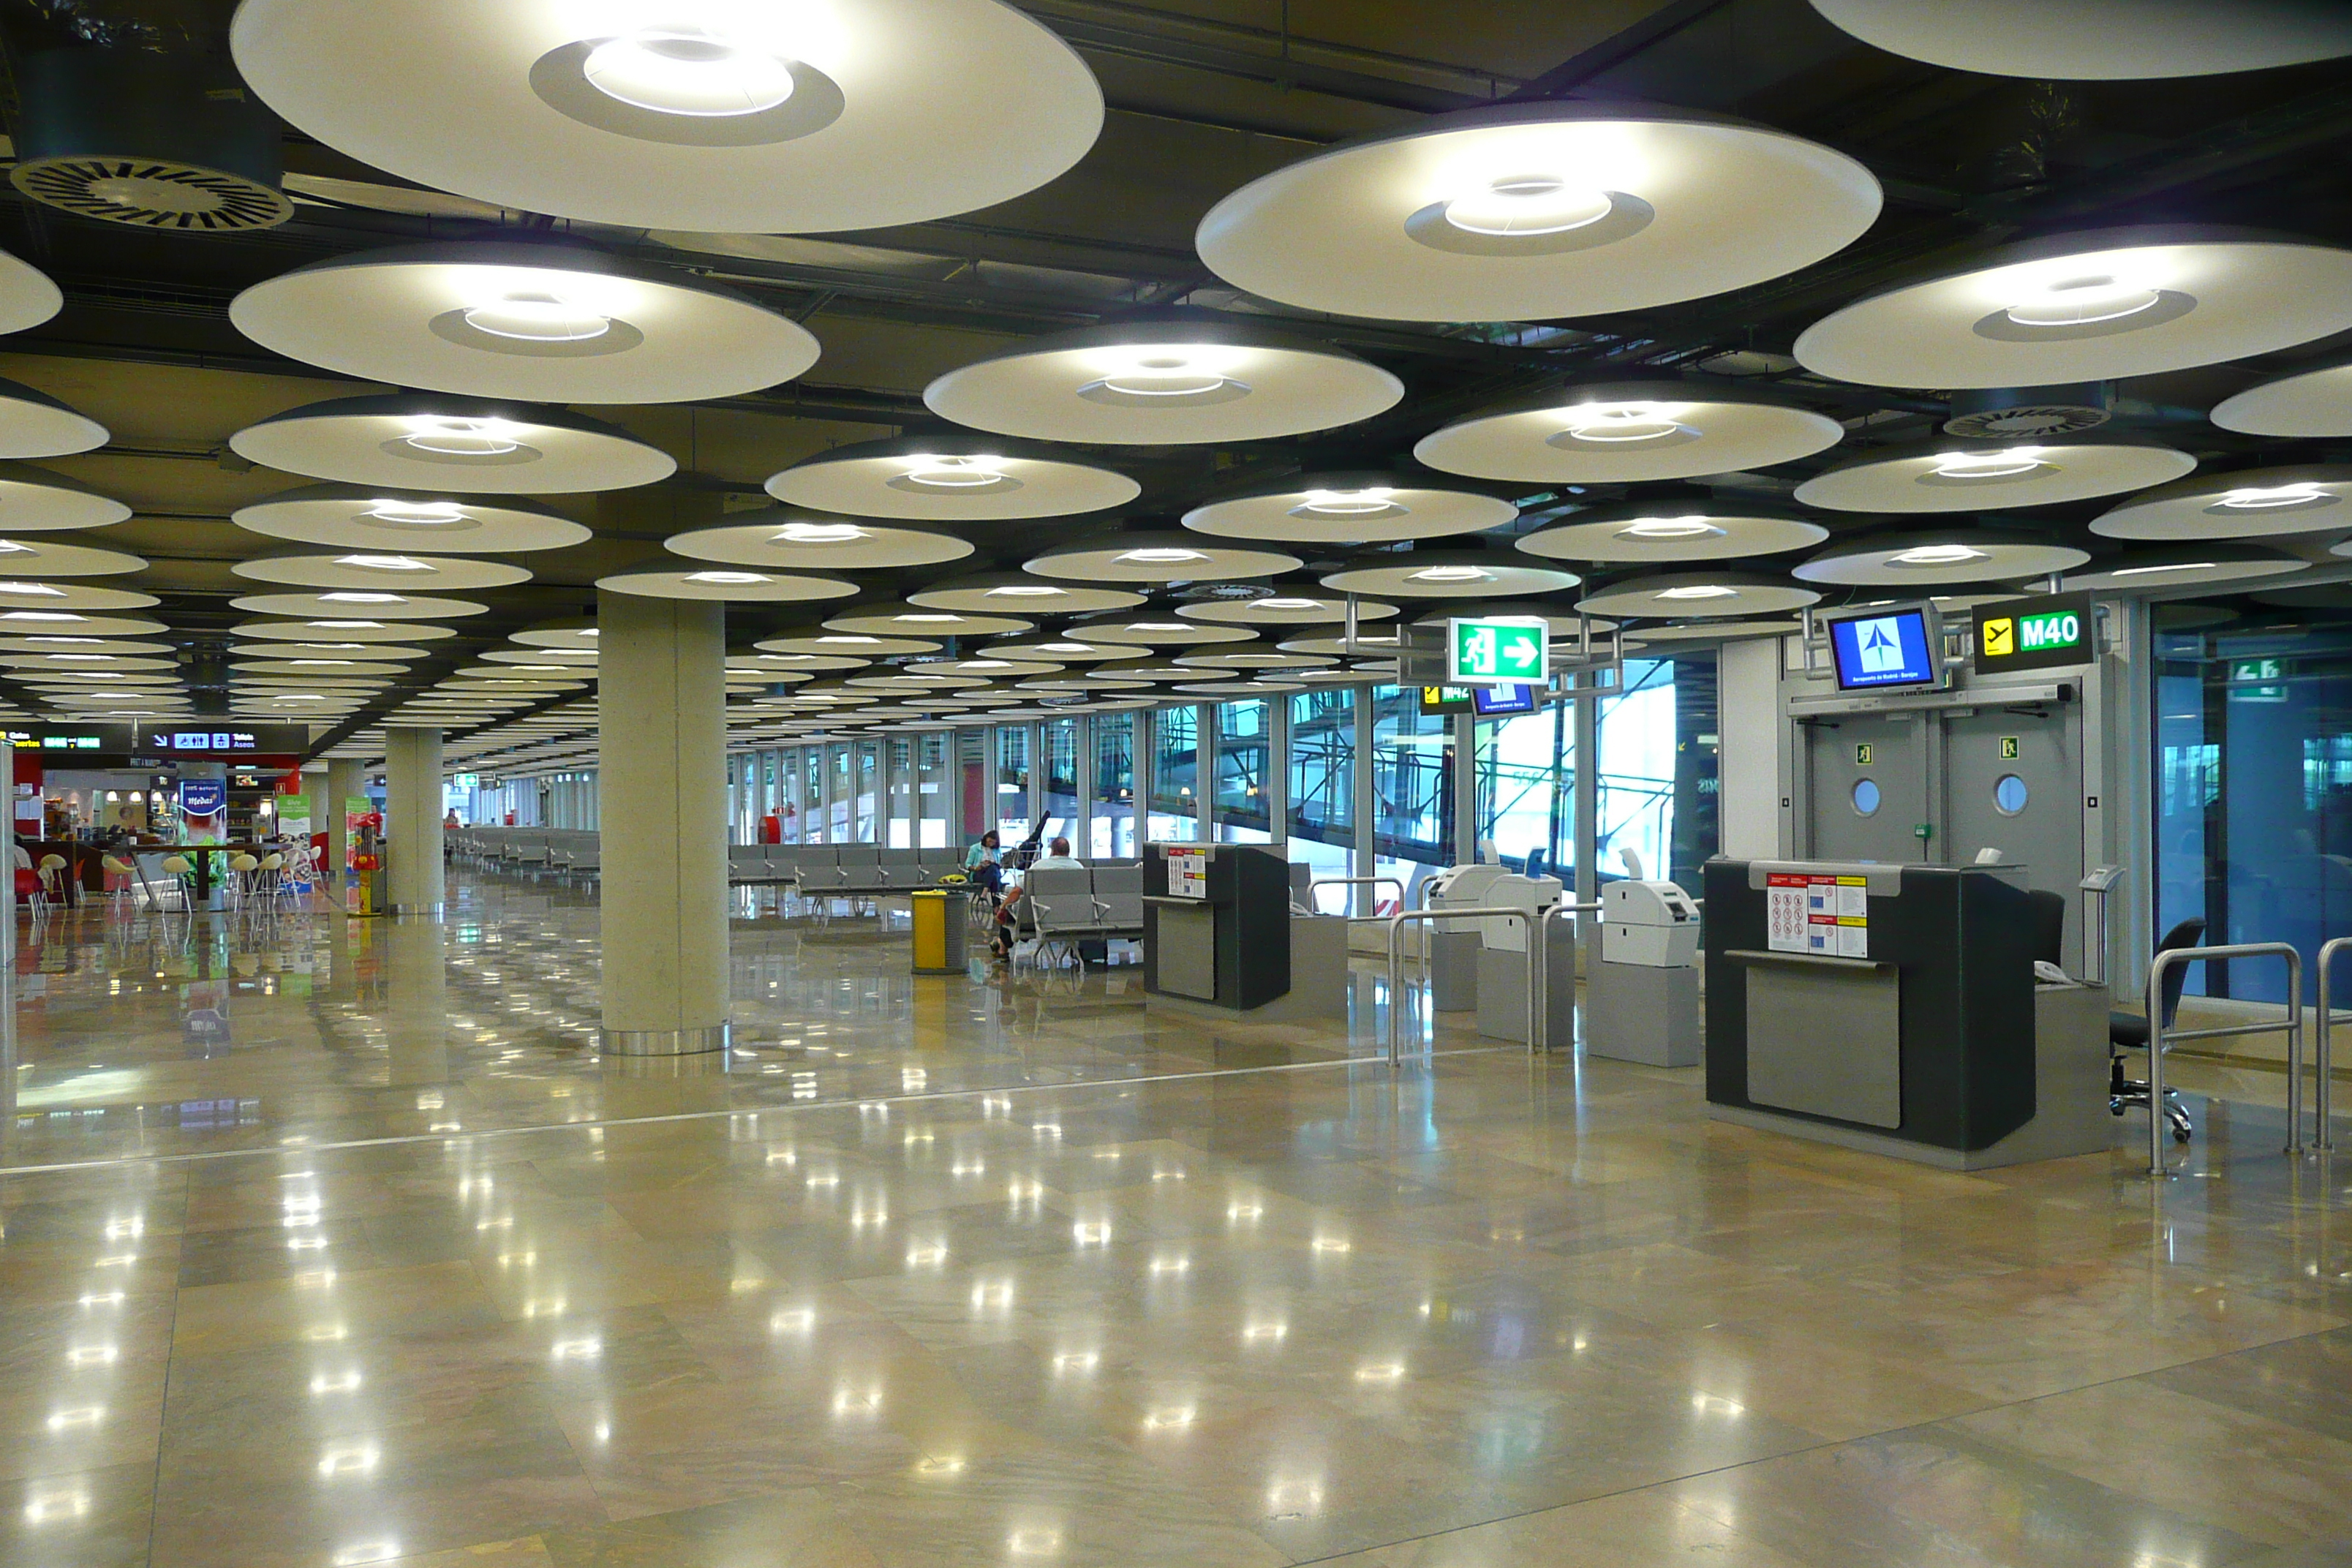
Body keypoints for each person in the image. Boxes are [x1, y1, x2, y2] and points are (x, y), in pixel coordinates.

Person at [991, 837, 1082, 960]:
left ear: (1052, 850)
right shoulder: (1078, 868)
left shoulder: (1039, 866)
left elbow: (1017, 891)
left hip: (1039, 919)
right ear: (1068, 851)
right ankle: (1001, 945)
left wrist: (1002, 907)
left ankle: (1002, 948)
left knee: (1010, 909)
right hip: (1071, 920)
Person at [964, 829, 1003, 895]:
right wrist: (976, 868)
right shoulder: (975, 848)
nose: (991, 844)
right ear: (986, 838)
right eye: (990, 841)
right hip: (980, 873)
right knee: (995, 877)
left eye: (993, 843)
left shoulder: (997, 850)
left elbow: (1000, 864)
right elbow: (967, 864)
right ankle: (996, 904)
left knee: (993, 869)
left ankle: (985, 889)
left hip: (993, 872)